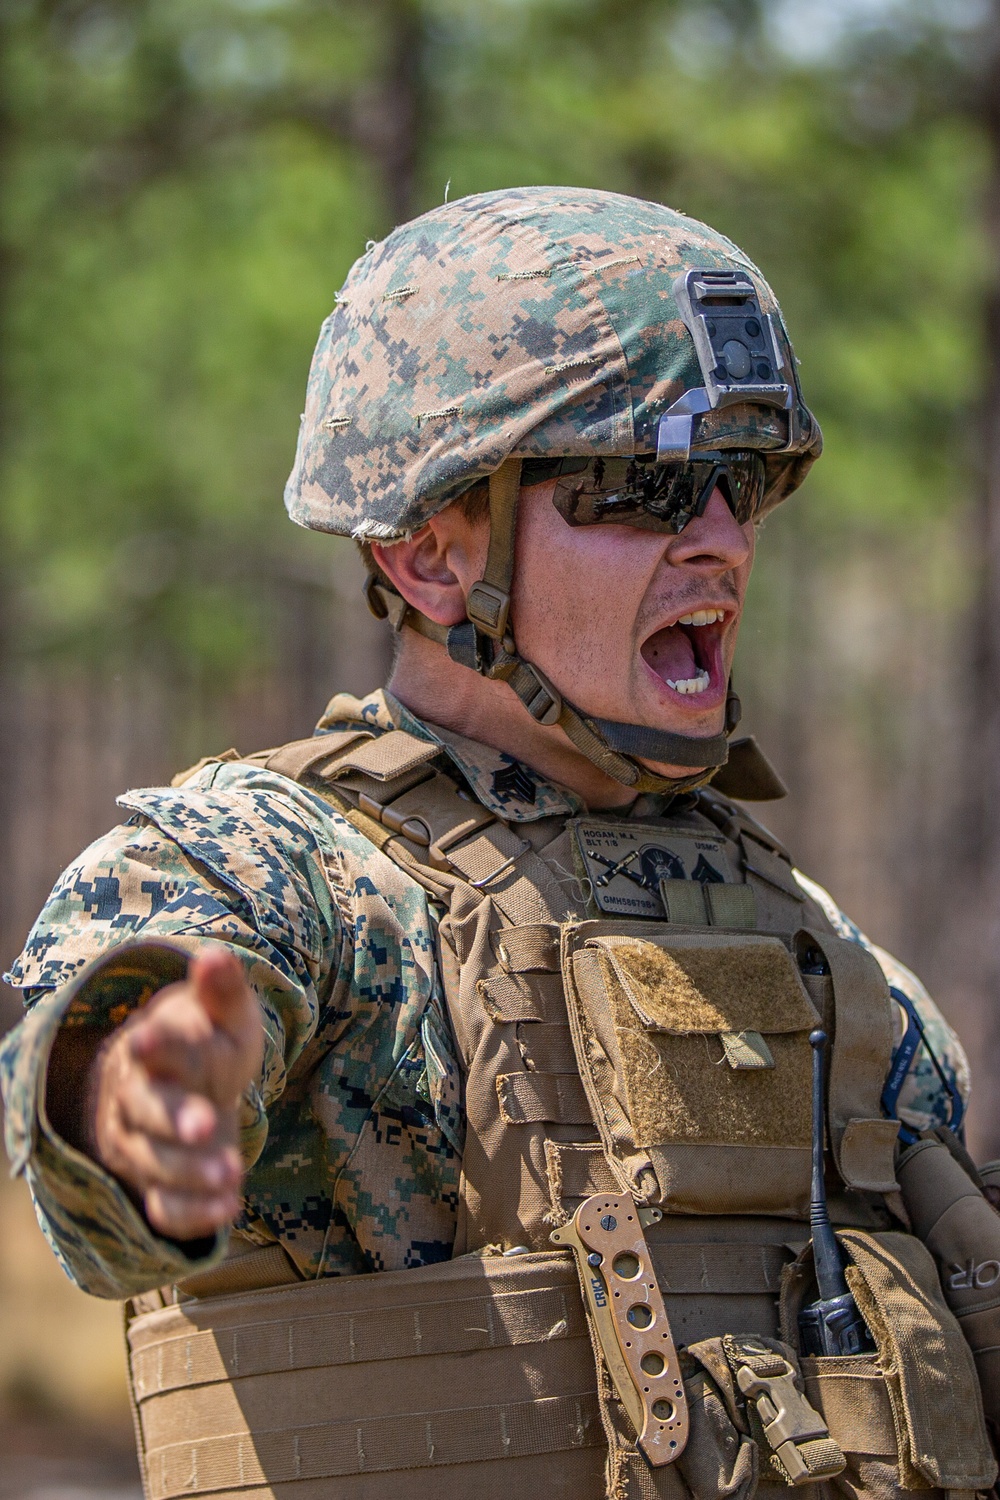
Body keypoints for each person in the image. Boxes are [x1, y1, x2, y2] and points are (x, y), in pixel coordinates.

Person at [1, 187, 994, 1499]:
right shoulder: (291, 873)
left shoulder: (821, 949)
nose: (720, 540)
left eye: (742, 482)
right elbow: (117, 1033)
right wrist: (137, 1095)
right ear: (427, 552)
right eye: (647, 485)